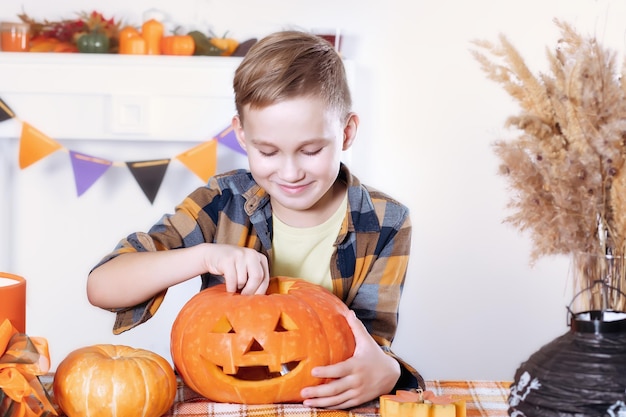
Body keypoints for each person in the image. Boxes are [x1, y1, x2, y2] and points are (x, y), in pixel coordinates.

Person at [87, 29, 423, 409]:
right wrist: (204, 256)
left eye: (310, 150)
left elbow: (370, 347)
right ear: (242, 136)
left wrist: (390, 372)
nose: (290, 171)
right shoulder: (220, 201)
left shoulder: (386, 222)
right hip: (224, 403)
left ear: (346, 132)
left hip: (321, 403)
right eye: (268, 151)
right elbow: (102, 285)